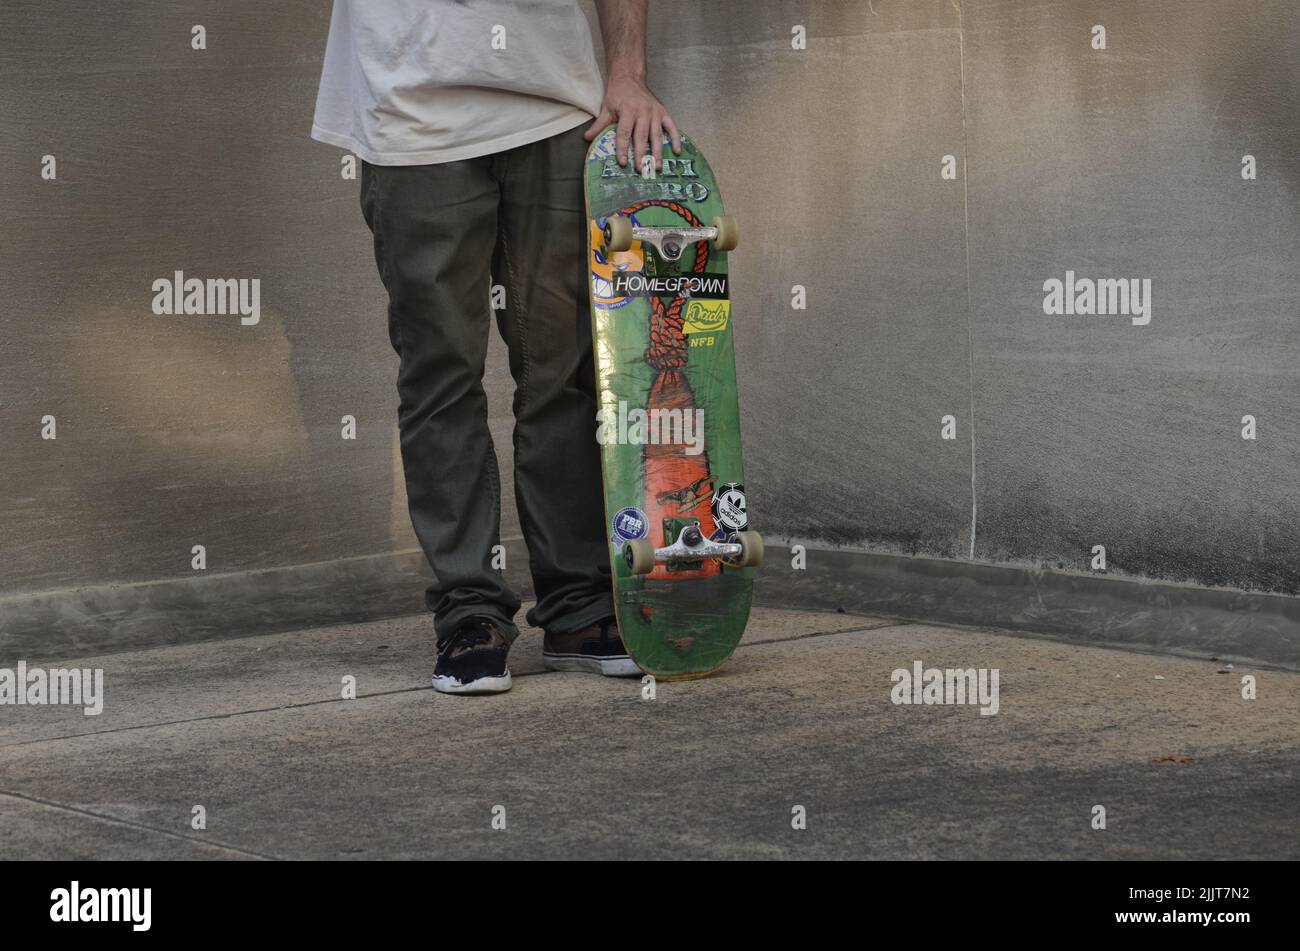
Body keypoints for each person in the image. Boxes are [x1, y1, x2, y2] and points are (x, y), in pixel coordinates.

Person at [311, 1, 680, 694]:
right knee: (440, 372)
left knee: (566, 370)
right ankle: (469, 611)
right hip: (411, 112)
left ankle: (578, 605)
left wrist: (627, 73)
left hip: (556, 104)